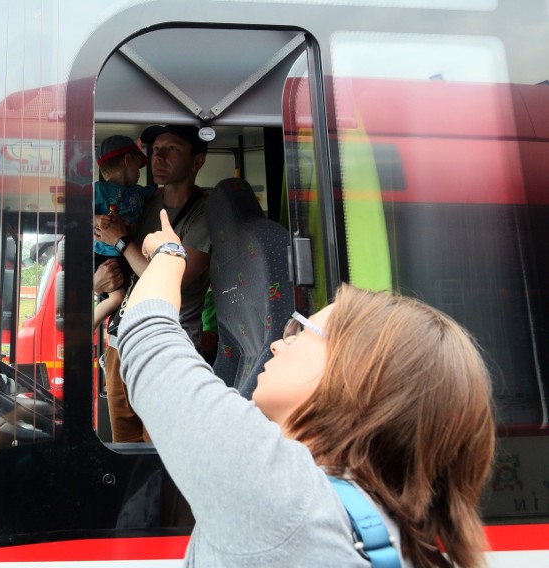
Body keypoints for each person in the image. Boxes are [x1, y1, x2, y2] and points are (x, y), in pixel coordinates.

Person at [116, 209, 496, 567]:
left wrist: (168, 253)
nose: (279, 343)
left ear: (356, 378)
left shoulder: (280, 495)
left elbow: (148, 336)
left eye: (301, 331)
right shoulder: (389, 527)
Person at [95, 124, 211, 443]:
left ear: (196, 162)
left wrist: (122, 242)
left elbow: (169, 282)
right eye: (155, 149)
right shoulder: (144, 202)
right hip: (122, 342)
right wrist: (97, 282)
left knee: (160, 451)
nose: (158, 156)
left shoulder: (204, 216)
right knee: (124, 447)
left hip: (168, 348)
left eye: (170, 148)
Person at [92, 135, 153, 329]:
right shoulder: (98, 190)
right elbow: (73, 214)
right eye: (138, 166)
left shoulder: (137, 192)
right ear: (128, 160)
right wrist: (94, 219)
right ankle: (88, 325)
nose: (139, 173)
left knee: (132, 293)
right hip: (104, 254)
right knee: (117, 297)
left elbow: (160, 193)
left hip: (127, 252)